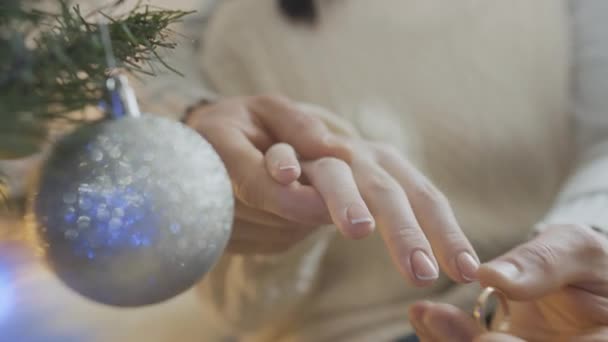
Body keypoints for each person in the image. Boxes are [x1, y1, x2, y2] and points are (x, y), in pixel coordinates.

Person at [135, 0, 608, 340]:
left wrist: (576, 241)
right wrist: (299, 202)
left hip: (564, 314)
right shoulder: (242, 32)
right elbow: (243, 306)